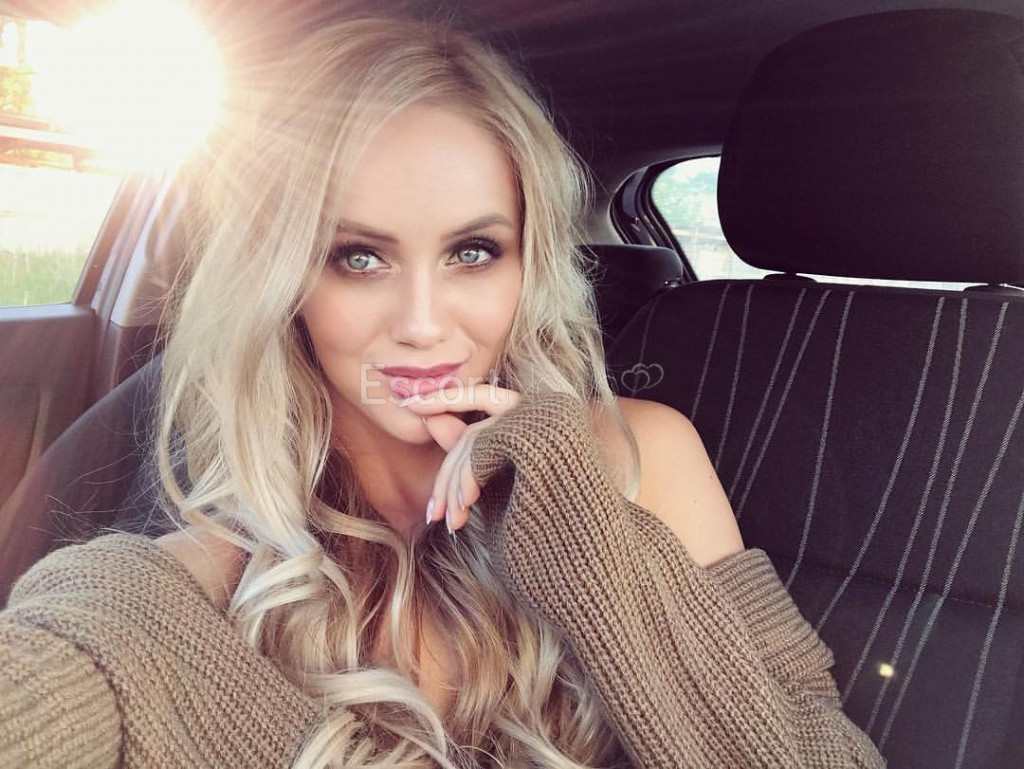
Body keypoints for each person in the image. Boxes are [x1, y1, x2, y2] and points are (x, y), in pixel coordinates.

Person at [0, 15, 885, 769]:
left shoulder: (645, 453)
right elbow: (71, 654)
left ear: (527, 267)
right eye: (359, 256)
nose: (423, 324)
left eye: (472, 251)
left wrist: (585, 535)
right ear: (287, 282)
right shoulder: (181, 586)